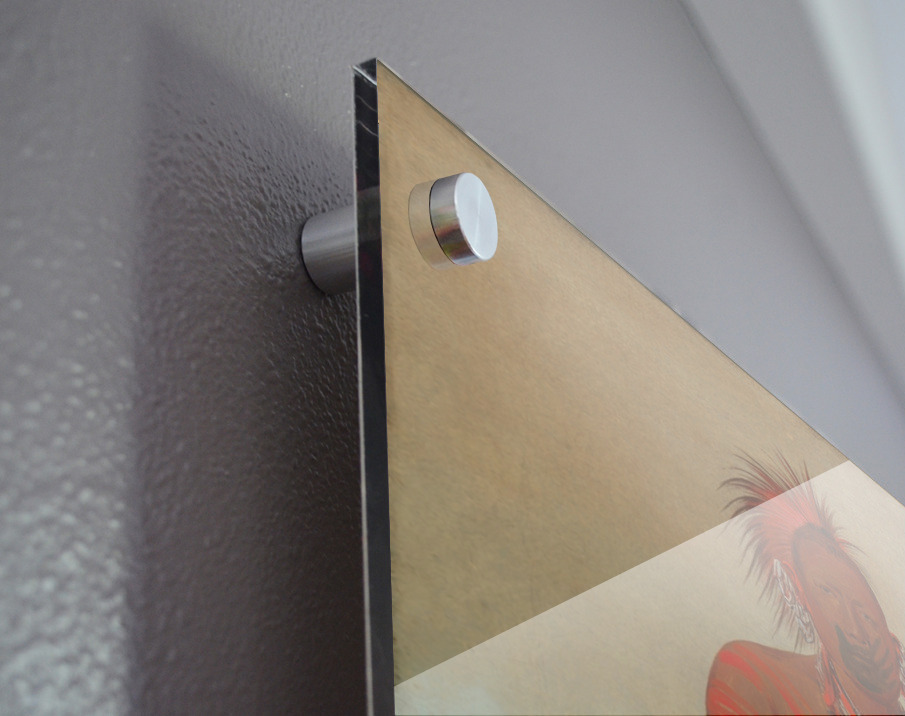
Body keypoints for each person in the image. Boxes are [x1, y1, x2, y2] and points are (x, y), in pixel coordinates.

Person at [705, 456, 905, 715]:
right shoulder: (751, 673)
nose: (861, 631)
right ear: (792, 591)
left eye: (864, 611)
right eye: (828, 592)